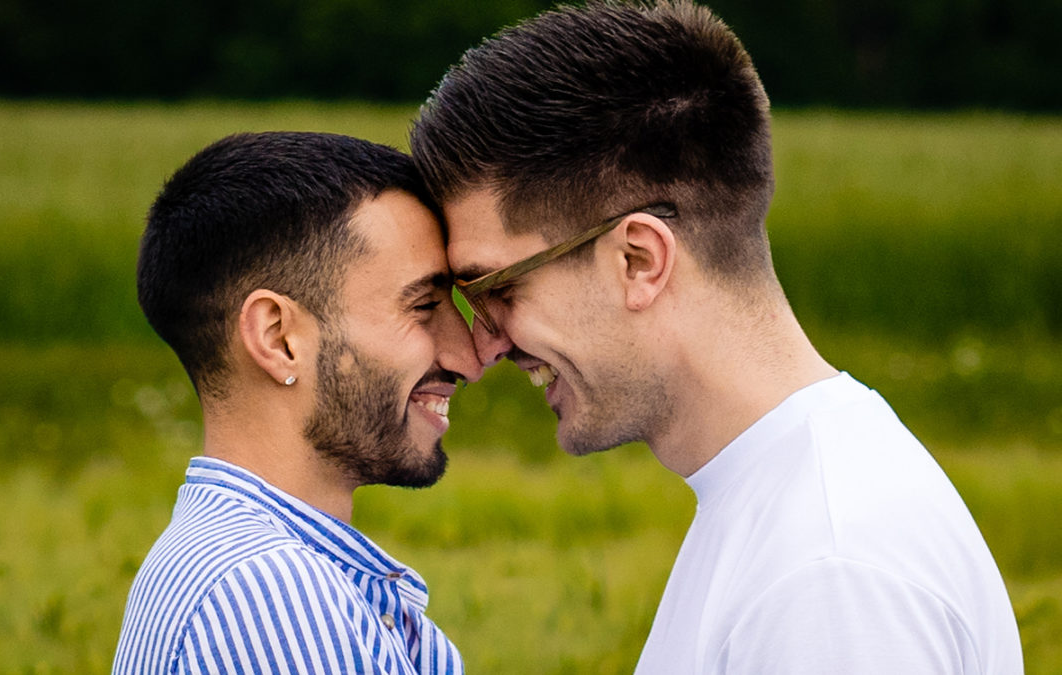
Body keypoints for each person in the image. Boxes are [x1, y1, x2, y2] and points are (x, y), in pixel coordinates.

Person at [409, 1, 1024, 673]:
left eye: (496, 288)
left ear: (638, 260)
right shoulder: (785, 507)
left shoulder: (827, 574)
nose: (483, 346)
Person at [113, 131, 480, 674]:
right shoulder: (266, 591)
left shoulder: (229, 562)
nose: (468, 357)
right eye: (424, 305)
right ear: (279, 338)